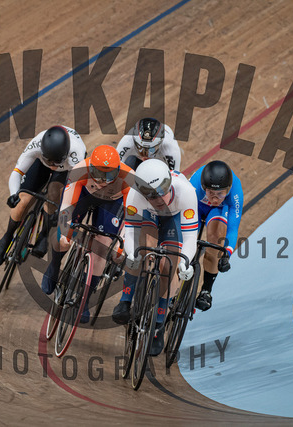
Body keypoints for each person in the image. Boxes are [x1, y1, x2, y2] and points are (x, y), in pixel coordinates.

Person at [111, 159, 198, 356]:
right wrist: (132, 253)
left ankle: (158, 324)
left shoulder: (186, 192)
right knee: (142, 248)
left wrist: (185, 262)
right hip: (149, 216)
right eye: (151, 195)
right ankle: (126, 300)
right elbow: (131, 231)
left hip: (174, 218)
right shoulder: (135, 195)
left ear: (169, 184)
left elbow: (190, 236)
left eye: (162, 192)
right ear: (142, 192)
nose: (158, 199)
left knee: (170, 265)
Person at [42, 145, 134, 324]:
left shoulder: (129, 179)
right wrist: (65, 233)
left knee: (103, 246)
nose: (103, 181)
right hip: (83, 194)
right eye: (98, 174)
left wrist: (122, 242)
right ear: (90, 168)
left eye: (109, 176)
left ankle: (83, 301)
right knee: (63, 236)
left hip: (111, 203)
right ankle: (54, 266)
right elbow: (66, 208)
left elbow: (131, 219)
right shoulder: (80, 170)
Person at [0, 125, 86, 266]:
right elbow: (17, 172)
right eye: (49, 161)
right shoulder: (36, 145)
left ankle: (44, 234)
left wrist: (63, 208)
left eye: (57, 162)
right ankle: (7, 236)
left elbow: (75, 187)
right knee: (22, 202)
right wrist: (13, 194)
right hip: (41, 164)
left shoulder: (76, 154)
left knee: (54, 194)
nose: (53, 165)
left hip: (66, 170)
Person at [189, 160, 243, 311]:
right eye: (211, 193)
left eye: (220, 194)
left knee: (215, 237)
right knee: (187, 235)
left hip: (218, 210)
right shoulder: (194, 185)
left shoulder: (235, 191)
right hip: (196, 205)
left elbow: (232, 229)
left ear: (228, 189)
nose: (214, 198)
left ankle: (206, 290)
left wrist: (227, 254)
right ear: (204, 187)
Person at [116, 117, 181, 171]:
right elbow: (115, 167)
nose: (146, 155)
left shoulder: (170, 149)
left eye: (151, 149)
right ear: (134, 141)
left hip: (160, 161)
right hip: (138, 158)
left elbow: (174, 177)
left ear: (161, 143)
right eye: (140, 148)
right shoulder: (127, 141)